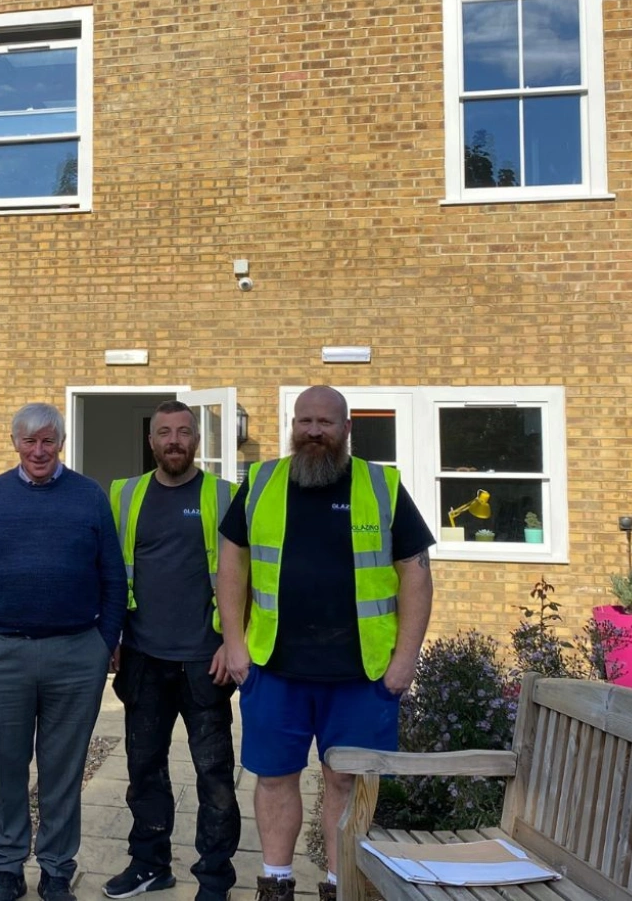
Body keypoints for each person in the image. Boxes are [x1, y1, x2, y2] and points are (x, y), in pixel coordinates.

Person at [217, 386, 434, 901]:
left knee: (345, 782)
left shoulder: (382, 485)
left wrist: (405, 660)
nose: (314, 431)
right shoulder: (263, 480)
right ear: (293, 425)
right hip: (274, 666)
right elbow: (232, 562)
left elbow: (416, 574)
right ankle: (275, 881)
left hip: (362, 674)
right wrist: (233, 643)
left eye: (327, 422)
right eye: (305, 420)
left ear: (347, 429)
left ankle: (341, 885)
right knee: (273, 777)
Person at [0, 403, 128, 901]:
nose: (38, 450)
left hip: (76, 655)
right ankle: (7, 867)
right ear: (14, 443)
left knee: (63, 768)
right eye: (28, 441)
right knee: (6, 768)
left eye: (48, 440)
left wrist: (104, 641)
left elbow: (113, 577)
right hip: (1, 653)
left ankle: (56, 867)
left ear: (61, 443)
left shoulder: (89, 497)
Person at [105, 401, 242, 901]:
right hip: (142, 656)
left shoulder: (225, 496)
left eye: (184, 432)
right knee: (144, 769)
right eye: (165, 433)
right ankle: (149, 865)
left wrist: (233, 640)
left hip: (205, 661)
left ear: (197, 440)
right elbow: (112, 573)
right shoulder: (125, 495)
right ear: (152, 441)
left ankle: (215, 879)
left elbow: (245, 576)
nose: (175, 441)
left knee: (214, 775)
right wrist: (112, 636)